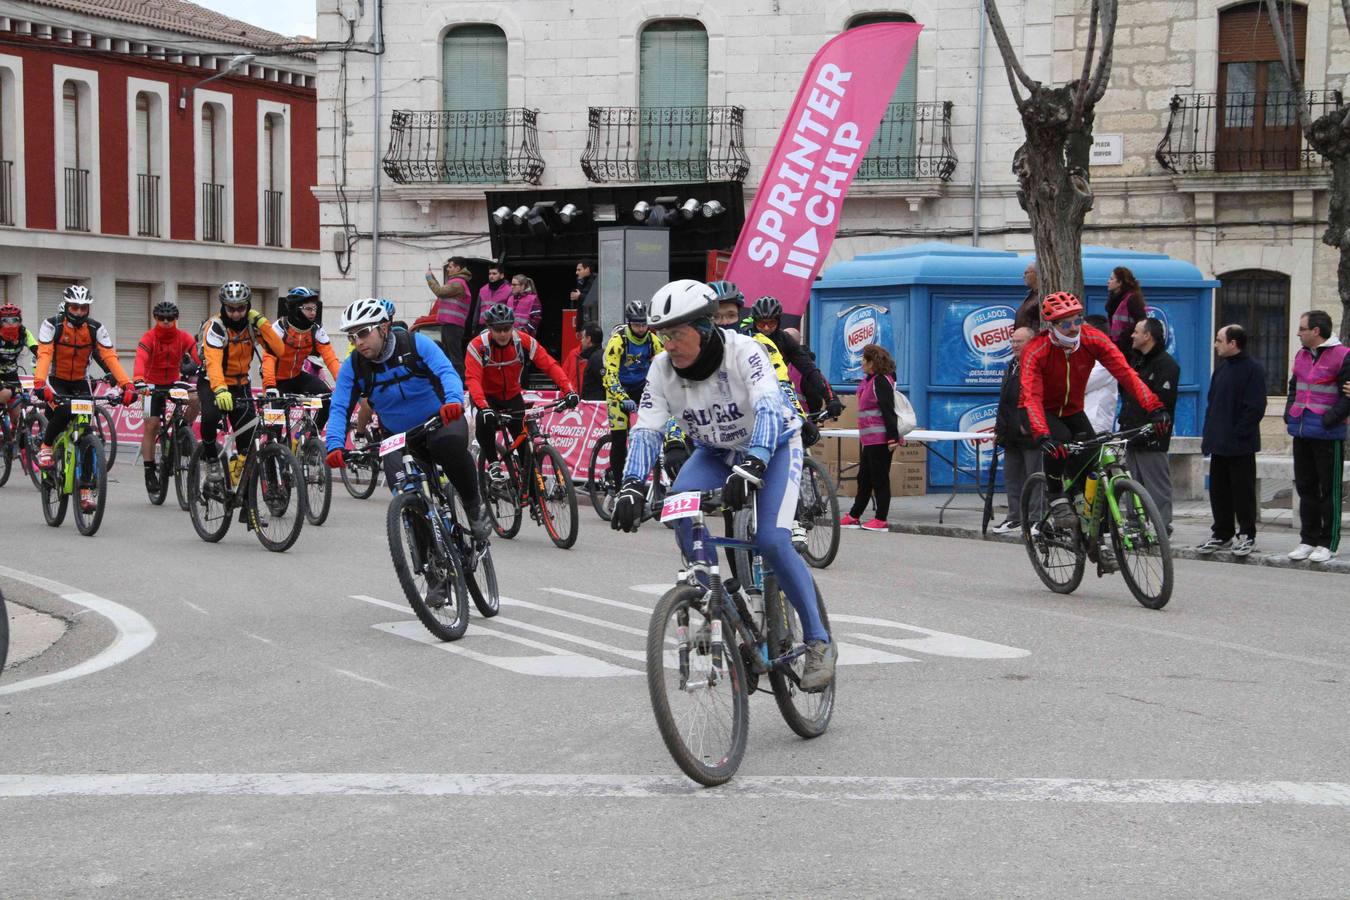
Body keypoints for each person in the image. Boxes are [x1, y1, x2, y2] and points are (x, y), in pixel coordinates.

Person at [610, 279, 836, 691]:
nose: (668, 344)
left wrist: (754, 464)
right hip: (716, 451)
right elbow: (646, 429)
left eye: (677, 334)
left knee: (771, 540)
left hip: (773, 446)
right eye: (663, 335)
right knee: (680, 507)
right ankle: (723, 608)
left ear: (705, 327)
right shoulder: (661, 369)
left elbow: (769, 406)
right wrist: (631, 485)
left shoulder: (744, 351)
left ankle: (819, 641)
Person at [325, 298, 490, 544]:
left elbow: (446, 371)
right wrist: (334, 444)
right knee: (405, 493)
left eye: (363, 333)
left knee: (449, 447)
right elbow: (339, 406)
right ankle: (429, 562)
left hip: (439, 420)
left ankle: (474, 507)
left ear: (383, 327)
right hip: (397, 436)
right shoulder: (355, 367)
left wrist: (453, 401)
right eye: (352, 336)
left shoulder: (415, 344)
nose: (358, 342)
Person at [1020, 291, 1167, 529]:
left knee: (1091, 460)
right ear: (1052, 325)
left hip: (1072, 409)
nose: (1073, 328)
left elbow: (1126, 374)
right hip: (1038, 409)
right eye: (1066, 324)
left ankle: (1091, 526)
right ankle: (1056, 496)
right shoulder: (1036, 349)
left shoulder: (1093, 339)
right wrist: (1043, 435)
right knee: (1060, 443)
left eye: (1077, 320)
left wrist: (1155, 407)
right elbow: (1032, 396)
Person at [32, 286, 137, 508]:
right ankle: (46, 446)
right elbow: (44, 354)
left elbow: (110, 356)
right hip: (56, 380)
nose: (79, 312)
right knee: (63, 411)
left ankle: (86, 490)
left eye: (83, 308)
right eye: (75, 307)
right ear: (67, 307)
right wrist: (40, 383)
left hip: (80, 382)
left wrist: (127, 385)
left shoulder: (95, 328)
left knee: (88, 434)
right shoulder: (52, 325)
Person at [464, 302, 579, 484]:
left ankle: (533, 494)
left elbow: (549, 365)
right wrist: (484, 407)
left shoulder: (523, 341)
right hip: (486, 397)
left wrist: (569, 390)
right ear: (489, 328)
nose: (503, 334)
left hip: (512, 396)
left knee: (526, 449)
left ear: (513, 326)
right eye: (498, 330)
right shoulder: (478, 346)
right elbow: (473, 380)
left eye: (507, 329)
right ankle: (493, 463)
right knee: (483, 422)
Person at [197, 281, 287, 488]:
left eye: (241, 308)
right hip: (213, 382)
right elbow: (213, 361)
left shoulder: (252, 325)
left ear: (248, 306)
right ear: (223, 306)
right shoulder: (216, 327)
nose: (236, 313)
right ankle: (211, 461)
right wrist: (220, 389)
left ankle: (244, 491)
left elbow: (279, 350)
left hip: (240, 384)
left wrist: (262, 322)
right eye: (231, 309)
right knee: (210, 418)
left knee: (248, 438)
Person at [1283, 309, 1350, 563]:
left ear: (1316, 331)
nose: (1298, 333)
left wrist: (1328, 419)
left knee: (1329, 491)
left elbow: (1347, 397)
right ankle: (1308, 539)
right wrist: (1289, 412)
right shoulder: (1302, 354)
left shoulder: (1343, 356)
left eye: (1302, 329)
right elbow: (1294, 386)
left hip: (1327, 434)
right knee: (1306, 488)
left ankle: (1328, 542)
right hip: (1301, 430)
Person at [1198, 325, 1267, 557]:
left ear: (1233, 343)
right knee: (1219, 492)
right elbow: (1212, 405)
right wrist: (1209, 436)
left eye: (1219, 340)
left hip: (1240, 446)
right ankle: (1222, 533)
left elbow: (1255, 407)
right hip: (1219, 444)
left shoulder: (1253, 369)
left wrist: (1237, 434)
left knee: (1243, 492)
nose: (1216, 345)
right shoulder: (1221, 370)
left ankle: (1247, 534)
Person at [132, 299, 202, 493]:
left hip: (172, 382)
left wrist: (206, 371)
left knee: (196, 399)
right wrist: (138, 379)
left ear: (176, 319)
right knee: (151, 424)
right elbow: (140, 359)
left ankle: (183, 429)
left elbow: (197, 356)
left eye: (170, 318)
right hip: (150, 384)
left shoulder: (183, 337)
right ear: (155, 318)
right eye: (161, 318)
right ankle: (149, 470)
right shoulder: (149, 337)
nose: (165, 321)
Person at [1118, 317, 1180, 530]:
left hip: (1152, 436)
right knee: (1132, 483)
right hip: (1131, 433)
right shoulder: (1136, 361)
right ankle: (1135, 524)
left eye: (1136, 332)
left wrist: (1151, 429)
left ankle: (1162, 526)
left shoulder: (1167, 365)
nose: (1132, 335)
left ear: (1148, 336)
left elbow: (1164, 402)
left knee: (1156, 485)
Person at [840, 344, 906, 531]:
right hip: (870, 440)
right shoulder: (870, 380)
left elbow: (888, 410)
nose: (861, 363)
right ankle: (854, 515)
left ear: (871, 362)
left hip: (881, 439)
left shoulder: (881, 381)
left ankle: (881, 519)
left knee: (879, 479)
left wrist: (892, 438)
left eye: (864, 360)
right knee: (864, 478)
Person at [748, 295, 844, 420]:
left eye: (771, 323)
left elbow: (809, 369)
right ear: (754, 322)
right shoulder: (746, 338)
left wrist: (831, 398)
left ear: (778, 321)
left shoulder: (784, 339)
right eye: (761, 324)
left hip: (778, 398)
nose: (766, 328)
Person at [260, 287, 342, 434]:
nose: (313, 312)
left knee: (328, 399)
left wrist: (343, 384)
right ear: (295, 308)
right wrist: (270, 385)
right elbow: (268, 358)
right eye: (308, 309)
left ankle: (312, 437)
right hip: (275, 381)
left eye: (314, 308)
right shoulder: (279, 328)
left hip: (297, 377)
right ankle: (275, 445)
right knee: (276, 428)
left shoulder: (316, 330)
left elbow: (330, 359)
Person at [601, 300, 663, 485]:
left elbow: (668, 363)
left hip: (642, 387)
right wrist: (622, 397)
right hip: (618, 390)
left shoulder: (652, 340)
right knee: (620, 439)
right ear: (629, 323)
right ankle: (619, 486)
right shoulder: (618, 340)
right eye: (637, 325)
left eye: (644, 324)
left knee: (657, 426)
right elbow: (609, 376)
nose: (641, 329)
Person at [992, 326, 1041, 534]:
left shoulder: (1037, 365)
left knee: (1035, 477)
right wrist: (999, 429)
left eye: (1019, 341)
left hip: (1032, 432)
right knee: (1012, 477)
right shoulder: (1012, 365)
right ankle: (1015, 517)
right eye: (1012, 341)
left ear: (1031, 342)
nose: (1014, 345)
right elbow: (1004, 401)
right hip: (1010, 433)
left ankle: (1037, 519)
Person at [421, 256, 473, 368]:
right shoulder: (455, 282)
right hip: (449, 324)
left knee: (454, 357)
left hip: (453, 325)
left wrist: (429, 278)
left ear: (457, 268)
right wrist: (432, 277)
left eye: (450, 267)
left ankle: (459, 377)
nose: (448, 269)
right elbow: (441, 291)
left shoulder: (458, 283)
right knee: (449, 356)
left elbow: (440, 292)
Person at [0, 303, 39, 432]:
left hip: (12, 375)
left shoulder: (24, 333)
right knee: (4, 395)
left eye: (14, 320)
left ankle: (13, 439)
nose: (10, 324)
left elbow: (39, 351)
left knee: (17, 417)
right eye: (5, 320)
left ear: (20, 321)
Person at [1083, 314, 1119, 434]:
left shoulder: (1108, 359)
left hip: (1096, 425)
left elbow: (1080, 384)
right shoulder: (1087, 355)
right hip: (1083, 422)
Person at [1105, 266, 1147, 360]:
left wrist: (1125, 337)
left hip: (1129, 350)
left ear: (1119, 283)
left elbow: (1141, 321)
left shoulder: (1132, 299)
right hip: (1116, 348)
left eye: (1111, 279)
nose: (1108, 281)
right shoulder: (1114, 300)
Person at [562, 322, 605, 402]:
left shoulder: (597, 358)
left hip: (589, 404)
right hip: (576, 401)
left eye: (582, 337)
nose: (581, 340)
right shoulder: (574, 354)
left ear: (588, 339)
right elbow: (563, 377)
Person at [475, 263, 512, 330]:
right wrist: (474, 325)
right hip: (482, 326)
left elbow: (510, 312)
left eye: (494, 274)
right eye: (490, 274)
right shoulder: (483, 289)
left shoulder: (509, 290)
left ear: (502, 275)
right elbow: (477, 309)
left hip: (499, 326)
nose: (491, 276)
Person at [1014, 262, 1041, 332]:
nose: (1023, 276)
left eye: (1026, 273)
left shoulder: (1041, 297)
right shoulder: (1031, 296)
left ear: (1037, 274)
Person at [571, 260, 597, 325]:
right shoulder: (581, 281)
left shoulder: (596, 280)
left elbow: (595, 300)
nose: (577, 272)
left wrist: (580, 296)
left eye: (579, 270)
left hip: (593, 320)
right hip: (584, 319)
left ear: (587, 269)